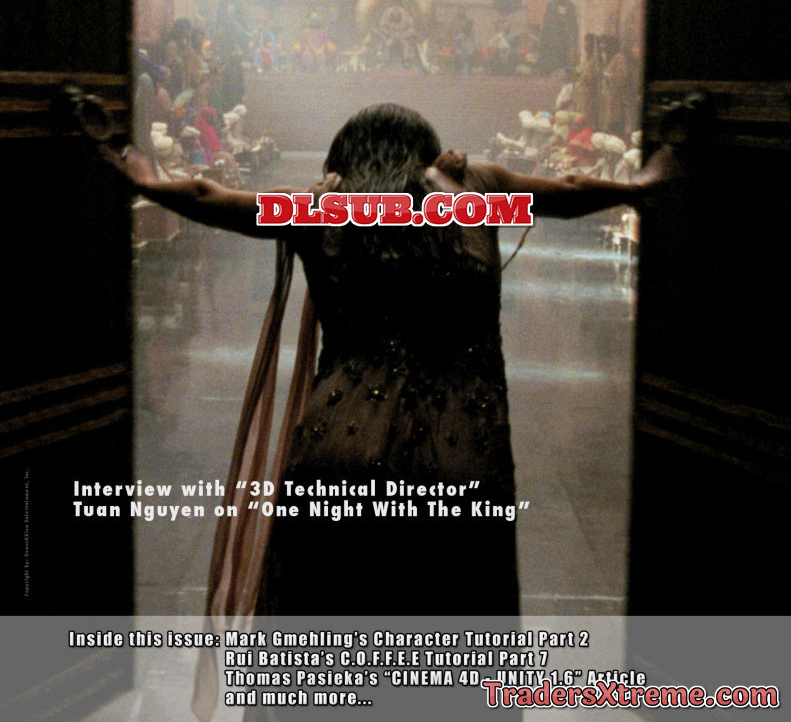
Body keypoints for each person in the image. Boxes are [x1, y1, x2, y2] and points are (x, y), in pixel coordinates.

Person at [106, 103, 677, 623]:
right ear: (427, 155)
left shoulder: (318, 209)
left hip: (339, 444)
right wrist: (642, 184)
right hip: (461, 450)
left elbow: (206, 196)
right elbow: (571, 190)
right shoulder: (475, 191)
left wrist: (143, 175)